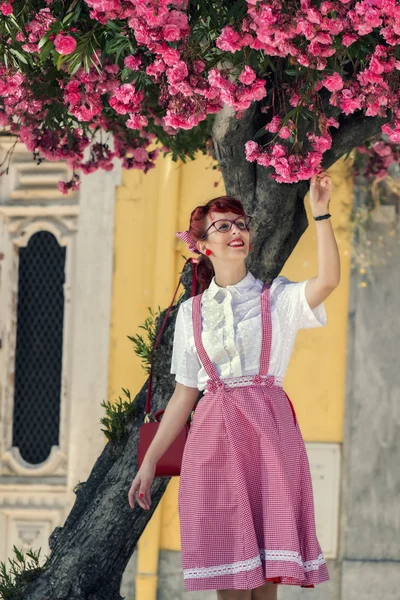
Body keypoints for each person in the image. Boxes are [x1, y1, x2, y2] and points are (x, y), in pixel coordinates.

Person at [128, 171, 340, 600]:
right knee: (230, 578)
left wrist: (320, 214)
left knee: (265, 583)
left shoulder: (276, 298)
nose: (235, 231)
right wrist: (149, 462)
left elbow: (329, 281)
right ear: (205, 245)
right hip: (213, 442)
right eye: (222, 226)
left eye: (240, 223)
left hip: (269, 437)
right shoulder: (190, 314)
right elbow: (185, 393)